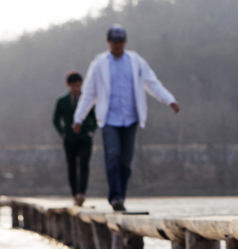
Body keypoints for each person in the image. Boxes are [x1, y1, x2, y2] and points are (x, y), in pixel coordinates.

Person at [72, 25, 180, 211]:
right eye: (114, 42)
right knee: (112, 155)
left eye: (121, 42)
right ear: (108, 42)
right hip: (109, 119)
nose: (118, 45)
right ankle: (115, 197)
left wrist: (169, 100)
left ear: (125, 42)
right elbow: (89, 93)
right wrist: (78, 117)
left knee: (125, 161)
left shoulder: (136, 62)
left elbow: (152, 83)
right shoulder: (99, 64)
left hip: (130, 118)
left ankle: (121, 195)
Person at [53, 71, 97, 206]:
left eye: (78, 85)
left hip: (84, 138)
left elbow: (94, 118)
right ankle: (74, 194)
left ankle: (81, 193)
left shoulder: (88, 100)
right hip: (69, 139)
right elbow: (55, 119)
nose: (76, 88)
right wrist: (62, 132)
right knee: (72, 166)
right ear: (68, 85)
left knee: (84, 165)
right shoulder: (62, 101)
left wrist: (90, 131)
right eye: (73, 86)